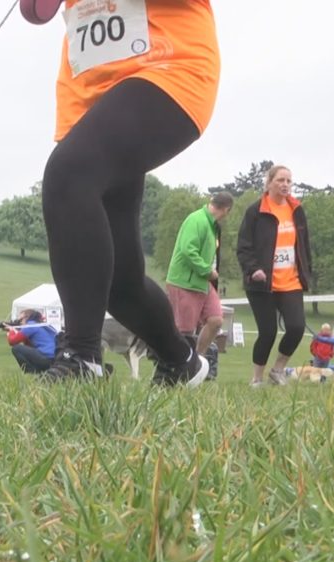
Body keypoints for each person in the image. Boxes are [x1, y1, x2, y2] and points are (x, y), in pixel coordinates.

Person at [37, 0, 220, 386]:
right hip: (91, 90)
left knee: (68, 176)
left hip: (167, 65)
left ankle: (82, 356)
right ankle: (180, 361)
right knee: (119, 281)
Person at [236, 165, 314, 387]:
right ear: (269, 183)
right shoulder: (255, 212)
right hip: (262, 284)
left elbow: (304, 245)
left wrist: (307, 271)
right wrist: (253, 269)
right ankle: (256, 378)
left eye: (289, 181)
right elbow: (243, 247)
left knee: (297, 327)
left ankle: (277, 369)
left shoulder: (297, 210)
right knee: (268, 332)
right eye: (280, 180)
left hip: (291, 281)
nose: (285, 185)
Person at [164, 191, 234, 380]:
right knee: (184, 331)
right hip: (184, 282)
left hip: (202, 283)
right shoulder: (197, 220)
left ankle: (197, 360)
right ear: (226, 210)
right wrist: (207, 270)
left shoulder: (211, 225)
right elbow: (188, 250)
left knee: (216, 320)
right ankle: (178, 371)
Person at [2, 309, 58, 374]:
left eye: (20, 320)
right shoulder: (40, 324)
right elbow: (29, 346)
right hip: (55, 359)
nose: (20, 323)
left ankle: (30, 372)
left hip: (46, 358)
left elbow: (12, 341)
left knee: (16, 348)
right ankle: (39, 372)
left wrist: (11, 331)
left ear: (27, 317)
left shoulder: (30, 325)